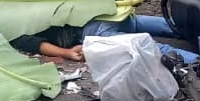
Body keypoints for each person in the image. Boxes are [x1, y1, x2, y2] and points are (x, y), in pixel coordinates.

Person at [10, 15, 181, 64]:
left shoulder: (12, 31)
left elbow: (37, 45)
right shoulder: (27, 7)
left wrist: (67, 52)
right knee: (171, 25)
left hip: (95, 31)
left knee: (156, 49)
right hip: (110, 14)